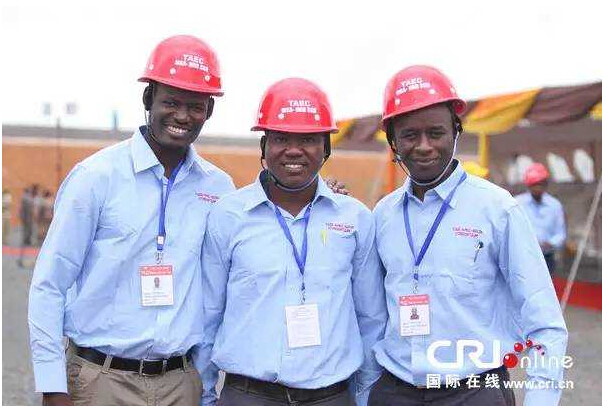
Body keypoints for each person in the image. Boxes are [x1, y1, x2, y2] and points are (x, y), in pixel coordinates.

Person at [28, 35, 235, 406]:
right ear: (148, 99)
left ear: (209, 111)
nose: (183, 116)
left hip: (180, 385)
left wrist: (203, 387)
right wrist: (53, 386)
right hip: (100, 381)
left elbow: (213, 296)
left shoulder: (218, 189)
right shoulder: (96, 177)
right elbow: (49, 284)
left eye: (196, 106)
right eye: (170, 102)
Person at [369, 66, 568, 405]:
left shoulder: (498, 209)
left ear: (456, 132)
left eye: (436, 133)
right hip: (396, 390)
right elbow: (372, 317)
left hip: (474, 390)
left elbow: (544, 321)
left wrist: (540, 398)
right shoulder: (383, 215)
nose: (423, 146)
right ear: (393, 141)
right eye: (410, 135)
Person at [200, 78, 387, 406]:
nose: (294, 150)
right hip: (248, 396)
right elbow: (207, 315)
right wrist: (205, 395)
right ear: (264, 146)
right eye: (281, 138)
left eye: (308, 140)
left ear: (326, 148)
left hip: (331, 397)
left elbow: (371, 319)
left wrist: (365, 397)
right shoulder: (228, 216)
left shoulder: (355, 219)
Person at [515, 163, 566, 275]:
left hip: (547, 258)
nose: (537, 188)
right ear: (528, 185)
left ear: (546, 184)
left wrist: (550, 243)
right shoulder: (517, 203)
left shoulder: (555, 205)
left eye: (540, 184)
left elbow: (560, 234)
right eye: (534, 184)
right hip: (523, 257)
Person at [18, 184, 38, 267]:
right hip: (28, 218)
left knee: (27, 231)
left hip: (28, 218)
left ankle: (26, 241)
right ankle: (26, 241)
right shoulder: (27, 198)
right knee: (27, 231)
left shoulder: (28, 198)